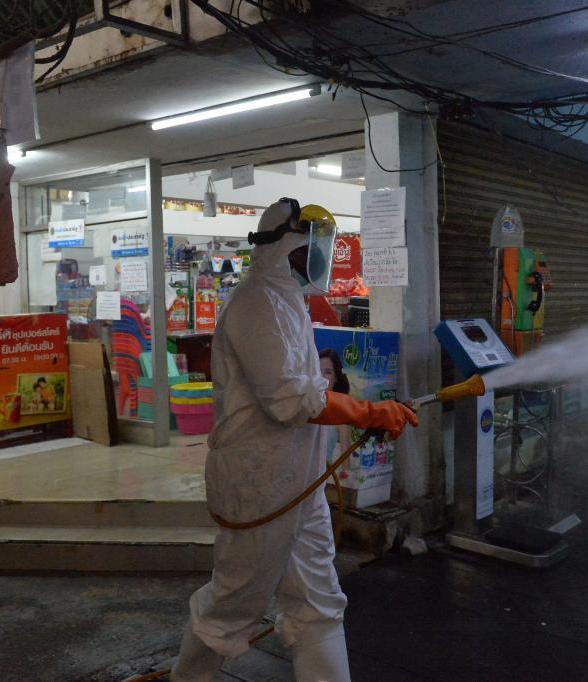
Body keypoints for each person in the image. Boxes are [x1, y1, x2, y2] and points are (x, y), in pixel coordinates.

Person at [172, 199, 418, 682]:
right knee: (233, 603)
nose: (319, 258)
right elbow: (291, 399)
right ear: (287, 247)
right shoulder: (255, 304)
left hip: (298, 483)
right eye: (312, 247)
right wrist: (369, 411)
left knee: (318, 601)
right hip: (258, 483)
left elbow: (306, 393)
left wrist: (363, 412)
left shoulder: (287, 301)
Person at [318, 348, 353, 461]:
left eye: (328, 372)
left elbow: (345, 463)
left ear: (336, 377)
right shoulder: (304, 404)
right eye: (318, 371)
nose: (321, 377)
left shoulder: (341, 412)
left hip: (323, 471)